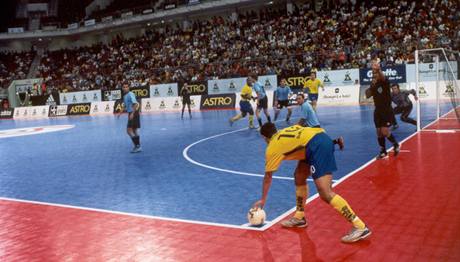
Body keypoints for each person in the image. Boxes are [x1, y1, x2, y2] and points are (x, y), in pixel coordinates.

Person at [253, 123, 371, 243]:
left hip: (315, 147)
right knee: (299, 176)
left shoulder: (272, 147)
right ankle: (300, 217)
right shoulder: (285, 131)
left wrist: (263, 199)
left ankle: (360, 226)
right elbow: (309, 132)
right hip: (316, 141)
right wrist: (333, 142)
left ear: (264, 138)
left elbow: (268, 177)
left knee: (325, 193)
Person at [365, 62, 400, 159]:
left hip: (386, 110)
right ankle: (383, 151)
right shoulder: (374, 84)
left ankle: (396, 144)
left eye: (376, 73)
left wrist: (378, 69)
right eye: (373, 74)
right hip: (377, 111)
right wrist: (371, 86)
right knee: (378, 132)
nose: (374, 75)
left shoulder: (385, 82)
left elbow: (383, 77)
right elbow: (367, 95)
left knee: (384, 131)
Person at [119, 82, 142, 153]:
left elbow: (135, 104)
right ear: (122, 88)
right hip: (131, 113)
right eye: (124, 87)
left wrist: (132, 113)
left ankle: (137, 146)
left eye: (126, 87)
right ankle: (138, 146)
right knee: (134, 130)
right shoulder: (125, 96)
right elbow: (125, 105)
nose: (125, 88)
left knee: (129, 130)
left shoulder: (131, 94)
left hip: (133, 113)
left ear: (129, 88)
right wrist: (121, 111)